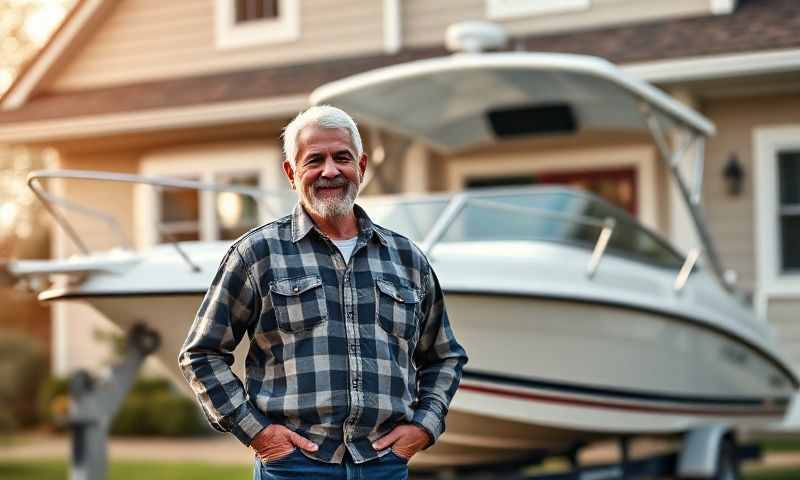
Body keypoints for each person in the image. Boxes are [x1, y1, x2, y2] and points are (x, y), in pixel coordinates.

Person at [178, 105, 468, 479]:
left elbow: (445, 357)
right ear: (290, 173)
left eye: (341, 157)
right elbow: (201, 353)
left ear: (360, 167)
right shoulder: (257, 254)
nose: (330, 170)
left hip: (383, 466)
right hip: (294, 467)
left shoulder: (407, 258)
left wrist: (423, 427)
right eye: (314, 159)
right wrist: (260, 435)